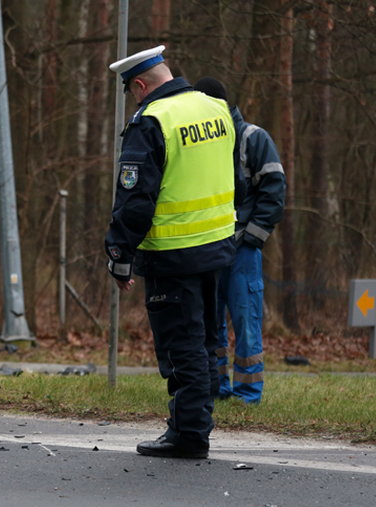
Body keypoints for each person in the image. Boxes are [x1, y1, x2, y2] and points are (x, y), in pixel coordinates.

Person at [105, 46, 237, 459]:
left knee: (182, 348)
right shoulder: (216, 108)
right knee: (207, 343)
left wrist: (119, 252)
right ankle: (197, 424)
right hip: (217, 246)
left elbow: (136, 198)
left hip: (173, 253)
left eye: (132, 92)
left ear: (140, 84)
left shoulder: (152, 121)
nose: (135, 99)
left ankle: (189, 434)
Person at [194, 77, 286, 405]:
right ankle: (215, 386)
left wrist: (251, 239)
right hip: (209, 246)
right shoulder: (202, 143)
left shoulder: (253, 138)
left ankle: (248, 393)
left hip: (242, 249)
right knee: (210, 319)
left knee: (246, 321)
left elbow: (274, 191)